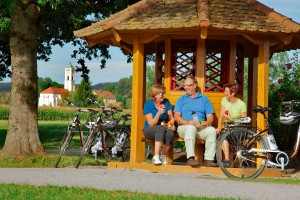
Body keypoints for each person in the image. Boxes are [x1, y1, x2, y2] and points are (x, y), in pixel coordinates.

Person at [174, 76, 218, 167]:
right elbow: (176, 116)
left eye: (188, 85)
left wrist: (207, 123)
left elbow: (210, 116)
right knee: (191, 128)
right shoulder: (181, 99)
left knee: (212, 130)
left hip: (200, 127)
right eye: (184, 86)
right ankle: (190, 158)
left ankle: (208, 160)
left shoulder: (204, 99)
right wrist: (188, 123)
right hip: (184, 128)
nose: (186, 88)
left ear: (195, 85)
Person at [143, 84, 175, 165]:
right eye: (161, 93)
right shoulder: (148, 105)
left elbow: (171, 117)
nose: (163, 95)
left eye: (164, 93)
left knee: (170, 133)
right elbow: (151, 124)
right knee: (160, 128)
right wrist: (158, 113)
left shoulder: (166, 102)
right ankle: (156, 157)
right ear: (155, 95)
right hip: (149, 130)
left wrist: (171, 124)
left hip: (163, 127)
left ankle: (163, 156)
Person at [216, 83, 247, 167]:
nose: (224, 93)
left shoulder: (241, 104)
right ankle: (226, 160)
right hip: (228, 129)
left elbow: (244, 121)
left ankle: (229, 160)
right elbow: (221, 115)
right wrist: (218, 127)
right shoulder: (224, 100)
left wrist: (231, 119)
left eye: (226, 92)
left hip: (239, 129)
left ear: (233, 93)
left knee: (224, 135)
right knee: (222, 134)